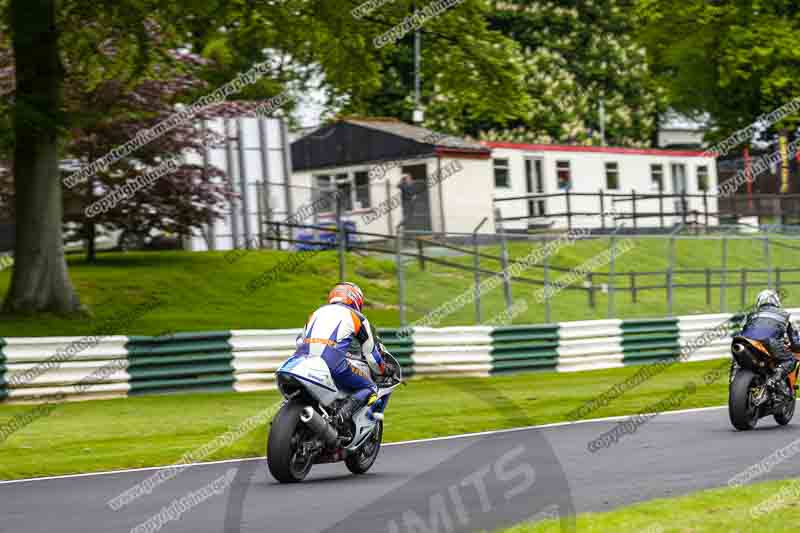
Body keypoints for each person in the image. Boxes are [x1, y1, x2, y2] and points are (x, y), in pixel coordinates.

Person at [294, 282, 386, 423]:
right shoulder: (357, 317)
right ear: (356, 299)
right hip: (332, 364)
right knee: (370, 387)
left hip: (300, 362)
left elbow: (300, 341)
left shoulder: (316, 313)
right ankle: (340, 419)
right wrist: (382, 371)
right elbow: (372, 356)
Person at [740, 289, 800, 396]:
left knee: (738, 357)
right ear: (776, 301)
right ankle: (774, 380)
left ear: (759, 301)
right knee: (791, 359)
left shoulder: (750, 314)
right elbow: (795, 343)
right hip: (769, 342)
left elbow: (742, 330)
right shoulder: (784, 315)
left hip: (746, 342)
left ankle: (734, 376)